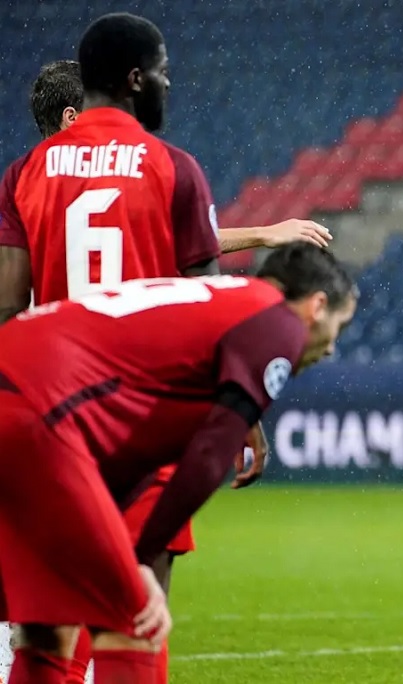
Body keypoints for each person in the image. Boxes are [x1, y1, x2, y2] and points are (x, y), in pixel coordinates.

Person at [0, 16, 325, 684]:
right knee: (138, 612)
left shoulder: (24, 173)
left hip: (48, 413)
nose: (169, 83)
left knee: (46, 634)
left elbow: (6, 307)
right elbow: (208, 320)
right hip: (141, 419)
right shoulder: (172, 167)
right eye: (164, 70)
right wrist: (245, 418)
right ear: (135, 77)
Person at [0, 241, 357, 684]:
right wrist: (139, 562)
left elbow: (127, 458)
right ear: (317, 306)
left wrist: (123, 552)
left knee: (47, 632)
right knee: (135, 618)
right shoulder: (277, 321)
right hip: (37, 413)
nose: (329, 349)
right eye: (339, 327)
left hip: (19, 395)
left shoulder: (214, 305)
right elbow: (209, 456)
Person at [26, 59, 333, 255]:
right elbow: (180, 241)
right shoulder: (103, 185)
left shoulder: (22, 193)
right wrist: (263, 234)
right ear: (73, 117)